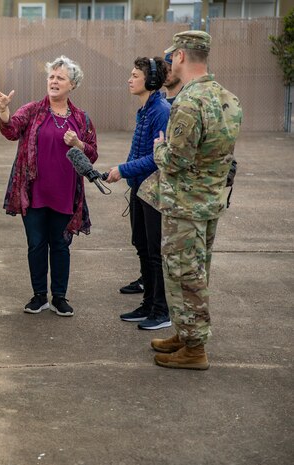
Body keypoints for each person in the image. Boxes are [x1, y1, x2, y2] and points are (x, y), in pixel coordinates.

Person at [138, 31, 242, 370]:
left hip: (184, 205)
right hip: (208, 201)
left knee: (185, 275)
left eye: (171, 57)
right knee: (196, 272)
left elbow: (174, 160)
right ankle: (185, 334)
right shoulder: (228, 99)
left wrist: (158, 146)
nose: (169, 62)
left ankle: (195, 349)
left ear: (181, 56)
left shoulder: (189, 101)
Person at [0, 55, 98, 317]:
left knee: (60, 246)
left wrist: (78, 144)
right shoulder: (32, 110)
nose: (54, 81)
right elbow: (11, 130)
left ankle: (59, 297)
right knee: (36, 244)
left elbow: (92, 154)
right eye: (51, 76)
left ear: (72, 84)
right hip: (33, 192)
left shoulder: (81, 119)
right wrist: (4, 111)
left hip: (64, 193)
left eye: (60, 78)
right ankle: (39, 296)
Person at [106, 57, 171, 330]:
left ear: (151, 80)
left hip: (153, 192)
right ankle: (148, 303)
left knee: (155, 252)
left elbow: (157, 158)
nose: (130, 80)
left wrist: (123, 169)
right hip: (139, 189)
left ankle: (161, 311)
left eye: (135, 75)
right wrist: (127, 172)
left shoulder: (162, 111)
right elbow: (138, 150)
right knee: (142, 246)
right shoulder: (143, 110)